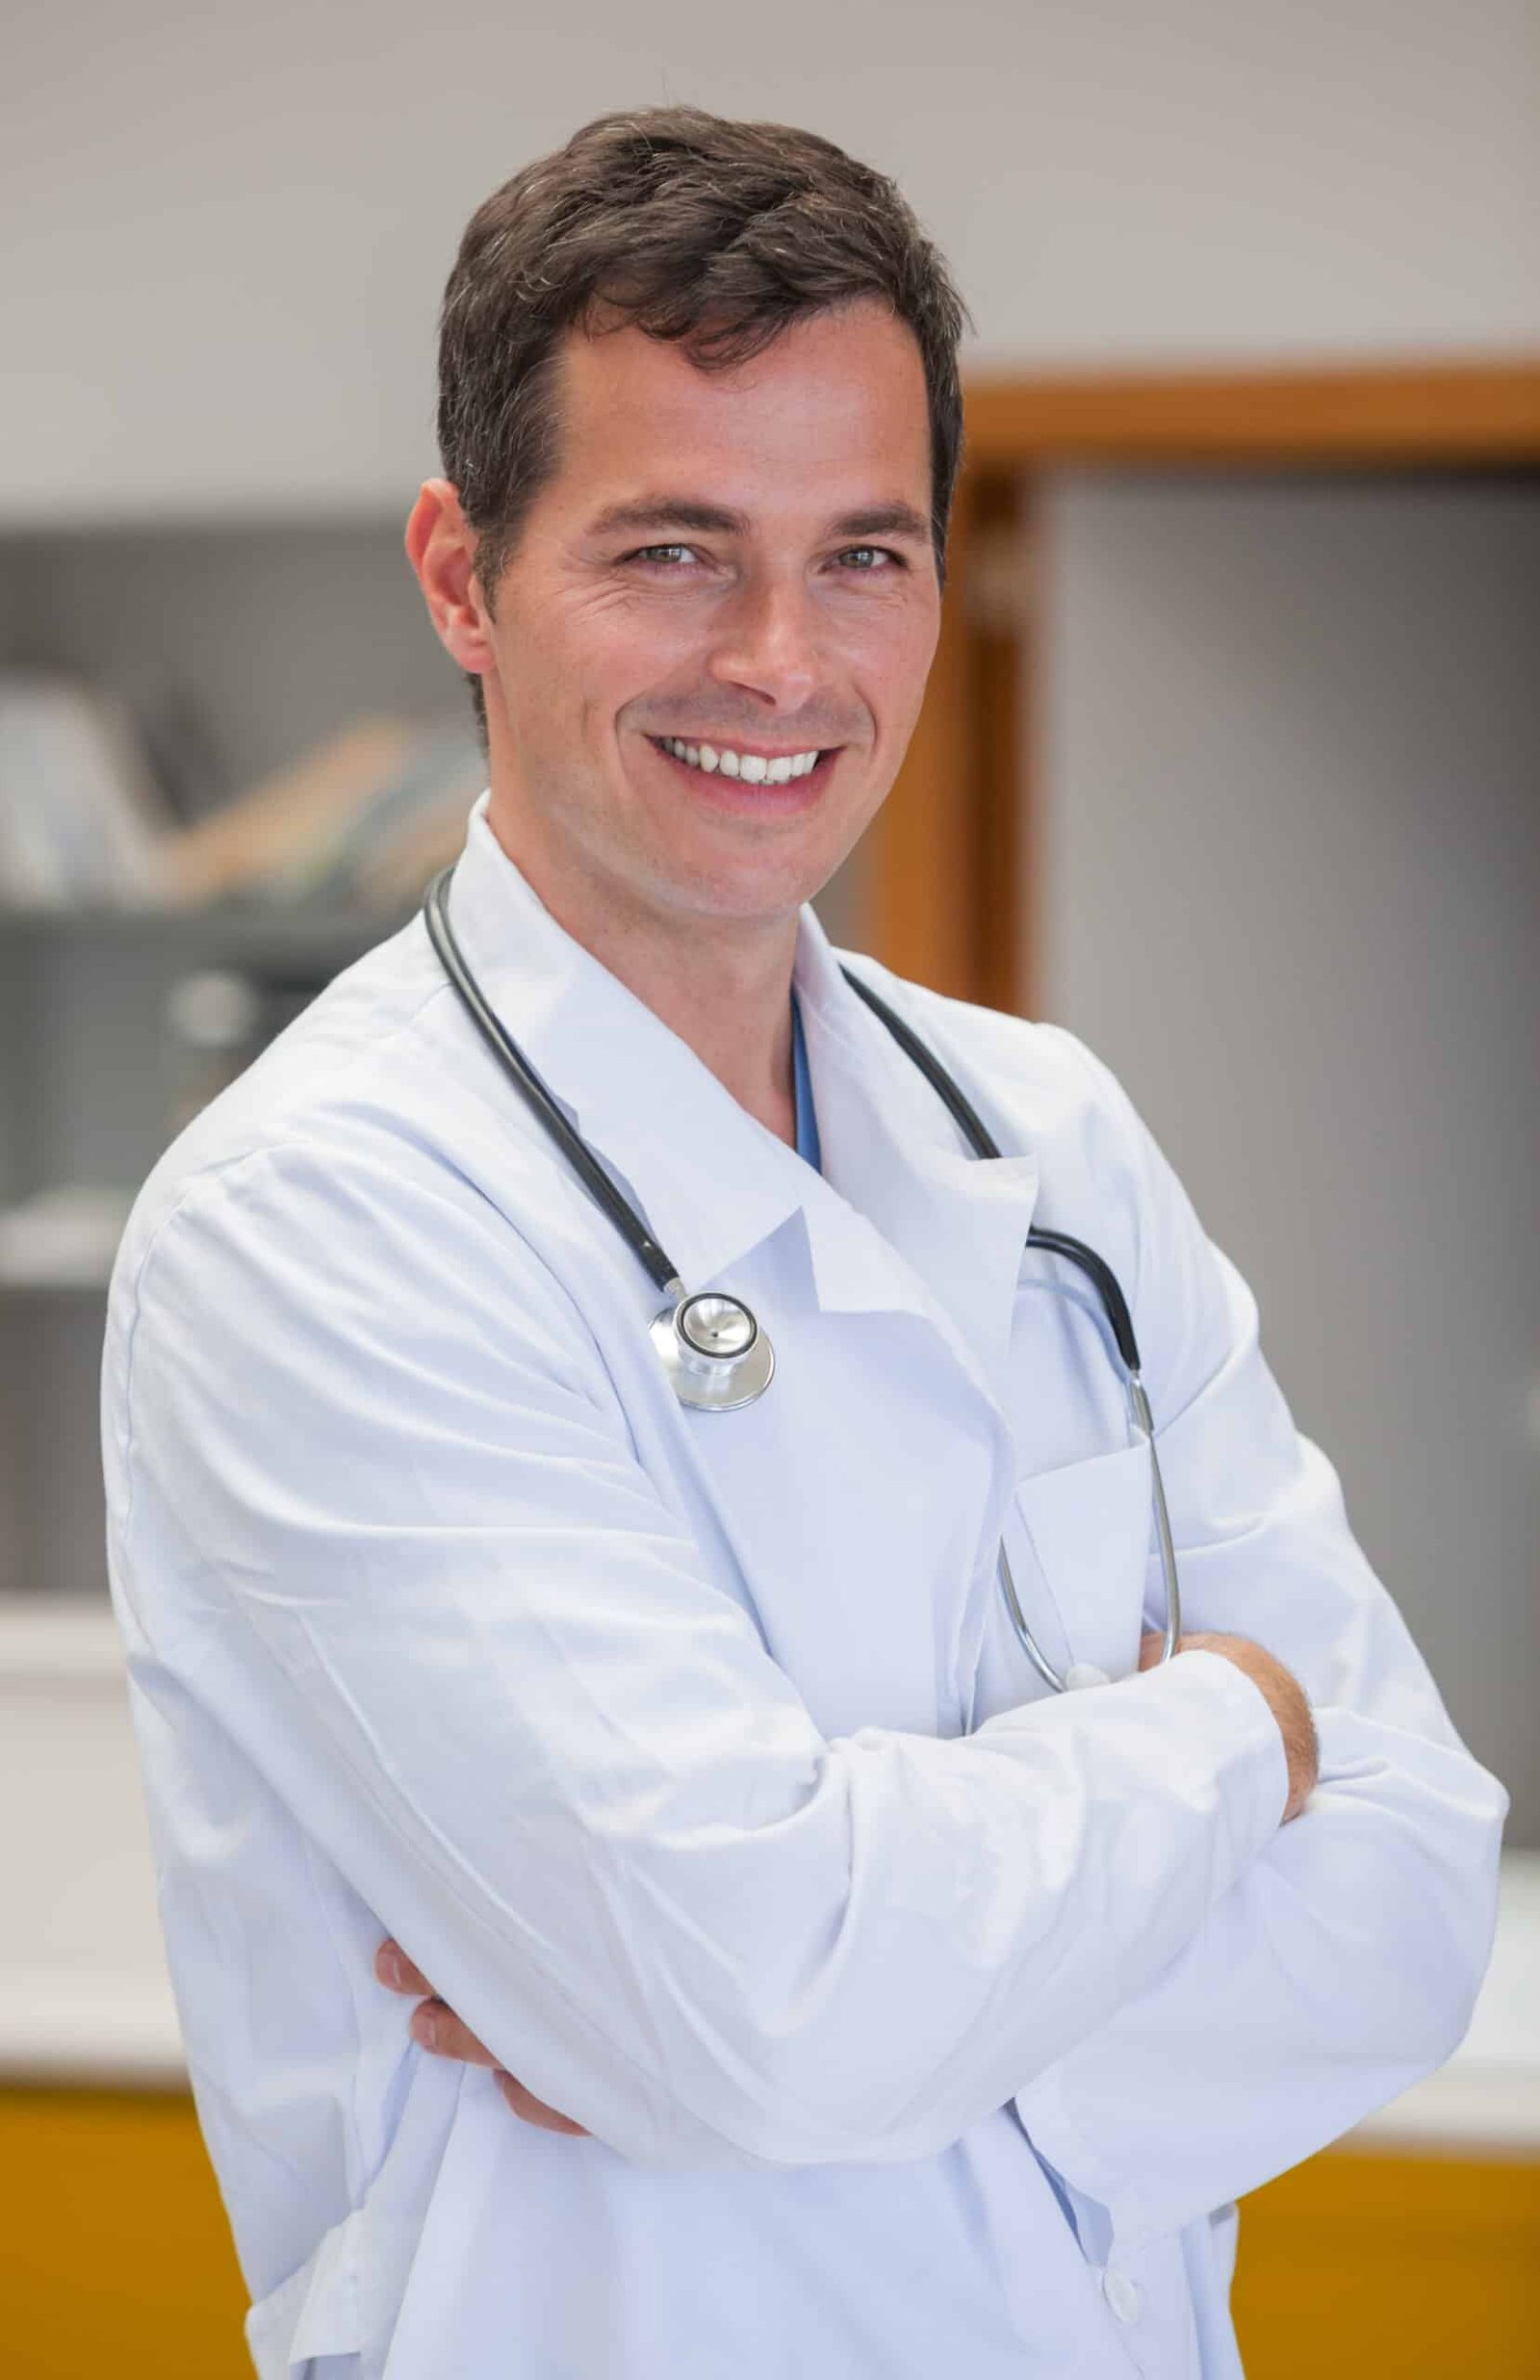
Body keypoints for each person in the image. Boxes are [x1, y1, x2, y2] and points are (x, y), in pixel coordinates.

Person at [102, 106, 1505, 2380]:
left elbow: (1409, 1884)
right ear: (461, 575)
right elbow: (765, 2008)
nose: (779, 659)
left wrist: (834, 1997)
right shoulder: (323, 1220)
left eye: (862, 554)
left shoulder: (1039, 1132)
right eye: (672, 551)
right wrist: (1241, 1728)